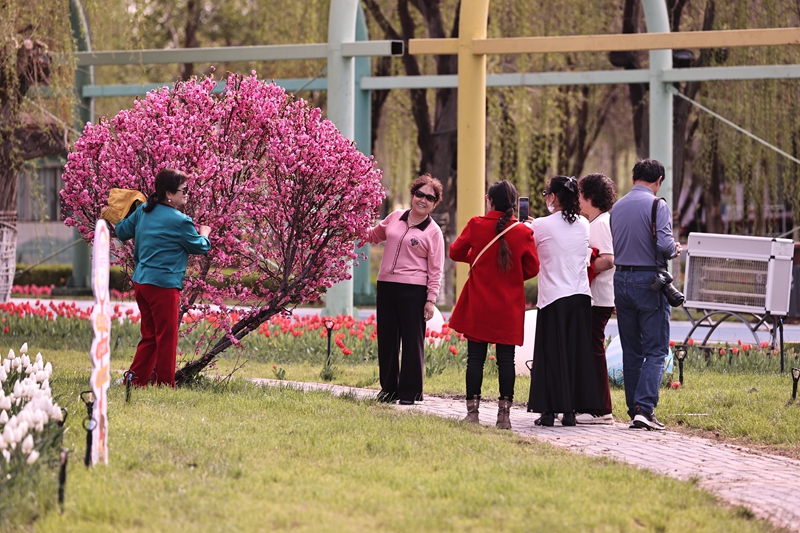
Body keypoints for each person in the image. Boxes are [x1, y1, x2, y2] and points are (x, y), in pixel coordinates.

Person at [449, 180, 539, 430]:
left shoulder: (476, 225)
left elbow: (455, 253)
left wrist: (478, 262)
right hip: (508, 306)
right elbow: (532, 268)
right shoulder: (523, 231)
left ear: (489, 199)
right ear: (514, 203)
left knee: (475, 359)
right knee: (506, 361)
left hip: (479, 302)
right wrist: (509, 274)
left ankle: (472, 413)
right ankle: (504, 416)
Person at [110, 169, 211, 387]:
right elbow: (200, 247)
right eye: (183, 190)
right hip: (163, 286)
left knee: (150, 335)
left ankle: (135, 380)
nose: (187, 194)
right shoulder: (181, 221)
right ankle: (165, 384)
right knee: (166, 338)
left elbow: (122, 231)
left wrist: (129, 209)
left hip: (142, 283)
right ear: (168, 194)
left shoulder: (143, 211)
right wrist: (205, 233)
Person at [527, 175, 605, 427]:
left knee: (551, 355)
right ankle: (570, 411)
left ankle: (548, 412)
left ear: (552, 197)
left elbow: (531, 245)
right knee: (574, 354)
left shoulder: (540, 225)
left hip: (553, 298)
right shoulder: (583, 223)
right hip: (581, 296)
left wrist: (529, 224)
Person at [610, 159, 681, 430]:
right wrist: (674, 249)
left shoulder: (617, 207)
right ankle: (645, 409)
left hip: (621, 279)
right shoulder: (657, 205)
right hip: (649, 281)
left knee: (631, 349)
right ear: (659, 180)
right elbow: (663, 244)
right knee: (656, 349)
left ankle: (633, 409)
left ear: (633, 178)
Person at [367, 174, 445, 405]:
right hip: (387, 286)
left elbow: (436, 268)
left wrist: (430, 299)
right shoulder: (394, 218)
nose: (423, 200)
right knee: (388, 339)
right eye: (419, 194)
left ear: (434, 204)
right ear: (413, 194)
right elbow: (373, 236)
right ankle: (388, 389)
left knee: (412, 341)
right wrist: (352, 224)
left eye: (429, 198)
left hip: (414, 290)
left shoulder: (433, 232)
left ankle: (410, 392)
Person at [575, 173, 617, 425]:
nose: (578, 200)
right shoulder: (600, 221)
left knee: (593, 351)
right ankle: (593, 405)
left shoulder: (600, 224)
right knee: (591, 350)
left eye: (580, 195)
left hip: (598, 297)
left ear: (589, 197)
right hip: (598, 296)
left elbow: (608, 259)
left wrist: (584, 260)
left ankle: (601, 408)